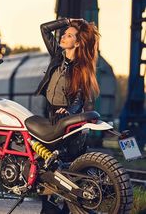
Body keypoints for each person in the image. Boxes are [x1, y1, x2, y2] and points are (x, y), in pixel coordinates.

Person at [36, 18, 100, 214]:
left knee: (64, 168)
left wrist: (68, 112)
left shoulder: (82, 67)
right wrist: (67, 21)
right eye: (64, 34)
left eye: (69, 35)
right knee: (43, 163)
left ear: (78, 42)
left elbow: (79, 98)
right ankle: (48, 208)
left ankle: (65, 209)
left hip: (67, 120)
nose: (63, 36)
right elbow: (44, 29)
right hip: (50, 115)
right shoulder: (57, 55)